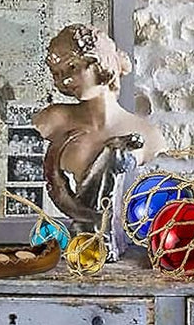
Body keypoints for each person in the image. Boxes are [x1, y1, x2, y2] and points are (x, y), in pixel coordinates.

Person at [34, 24, 163, 232]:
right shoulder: (51, 120)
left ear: (100, 62)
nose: (65, 80)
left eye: (73, 67)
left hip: (114, 235)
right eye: (57, 73)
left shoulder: (149, 134)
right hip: (79, 234)